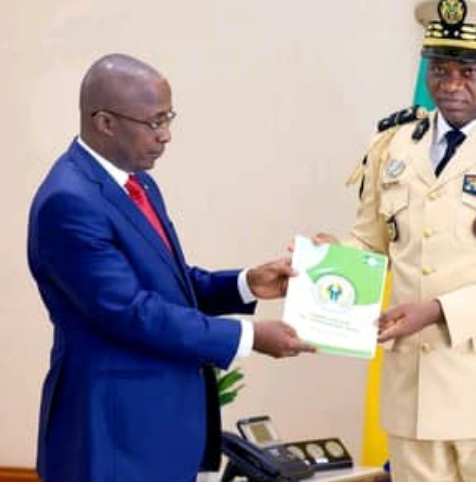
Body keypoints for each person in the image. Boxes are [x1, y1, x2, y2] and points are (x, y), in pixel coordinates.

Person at [317, 0, 476, 480]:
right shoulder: (393, 142)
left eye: (469, 71)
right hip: (413, 398)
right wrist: (323, 262)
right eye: (439, 69)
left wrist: (440, 310)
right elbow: (371, 244)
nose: (451, 84)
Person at [27, 53, 316, 481]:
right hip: (110, 430)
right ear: (105, 122)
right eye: (154, 122)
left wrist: (246, 284)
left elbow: (167, 285)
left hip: (160, 428)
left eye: (168, 118)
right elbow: (131, 312)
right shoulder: (69, 200)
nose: (166, 135)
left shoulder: (137, 181)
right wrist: (249, 336)